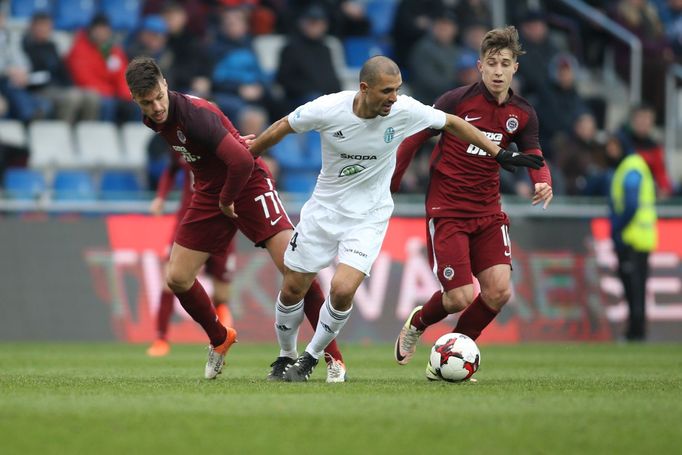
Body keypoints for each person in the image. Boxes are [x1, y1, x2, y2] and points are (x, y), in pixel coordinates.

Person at [247, 55, 544, 382]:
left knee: (342, 289)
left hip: (369, 216)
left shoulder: (404, 109)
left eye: (397, 90)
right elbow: (282, 127)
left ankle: (310, 358)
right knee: (292, 288)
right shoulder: (329, 108)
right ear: (364, 88)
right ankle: (285, 355)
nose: (394, 97)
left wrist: (498, 153)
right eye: (387, 91)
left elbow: (454, 123)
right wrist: (248, 157)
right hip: (324, 210)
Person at [125, 56, 346, 382]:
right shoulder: (153, 120)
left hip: (247, 185)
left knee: (296, 271)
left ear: (165, 85)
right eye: (147, 102)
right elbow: (207, 149)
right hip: (210, 190)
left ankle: (333, 357)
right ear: (135, 100)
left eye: (159, 96)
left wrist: (227, 199)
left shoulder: (192, 115)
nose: (156, 106)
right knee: (177, 278)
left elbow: (241, 162)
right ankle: (219, 337)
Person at [390, 26, 554, 379]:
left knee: (497, 292)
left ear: (515, 69)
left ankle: (453, 351)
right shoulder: (455, 101)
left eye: (505, 63)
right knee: (460, 297)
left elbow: (533, 153)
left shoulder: (523, 113)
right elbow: (413, 138)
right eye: (491, 63)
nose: (498, 71)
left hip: (488, 212)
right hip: (447, 210)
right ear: (480, 66)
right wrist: (391, 183)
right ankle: (419, 322)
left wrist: (543, 183)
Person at [146, 153, 237, 357]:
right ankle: (161, 339)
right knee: (170, 279)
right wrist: (161, 197)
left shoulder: (227, 146)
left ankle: (222, 339)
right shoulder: (182, 143)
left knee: (222, 293)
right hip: (189, 221)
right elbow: (170, 170)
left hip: (222, 223)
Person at [609, 151, 658, 342]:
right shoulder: (635, 166)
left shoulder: (630, 167)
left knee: (633, 288)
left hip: (631, 239)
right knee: (638, 287)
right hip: (642, 238)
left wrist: (617, 229)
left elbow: (630, 203)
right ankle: (637, 331)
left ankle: (635, 332)